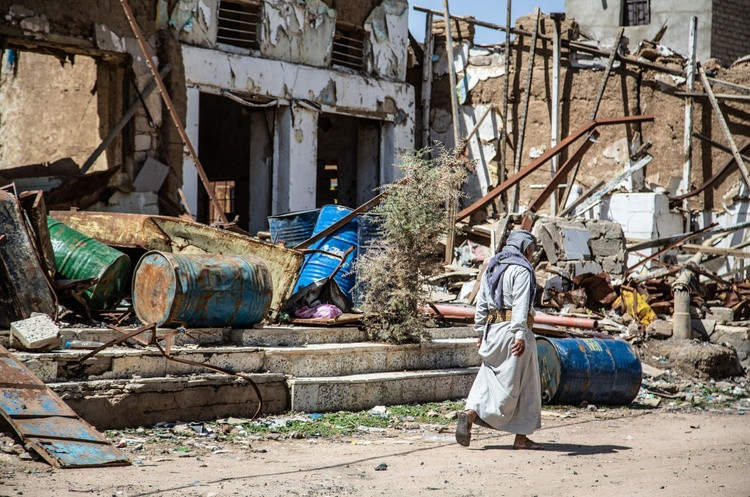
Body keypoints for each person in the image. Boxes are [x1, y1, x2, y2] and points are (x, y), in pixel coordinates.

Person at [455, 229, 543, 450]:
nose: (531, 255)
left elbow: (482, 303)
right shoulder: (522, 270)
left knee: (487, 378)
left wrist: (479, 332)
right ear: (527, 248)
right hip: (513, 332)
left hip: (492, 331)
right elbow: (521, 305)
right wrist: (520, 334)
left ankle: (469, 414)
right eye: (531, 250)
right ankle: (521, 439)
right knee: (526, 384)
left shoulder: (492, 266)